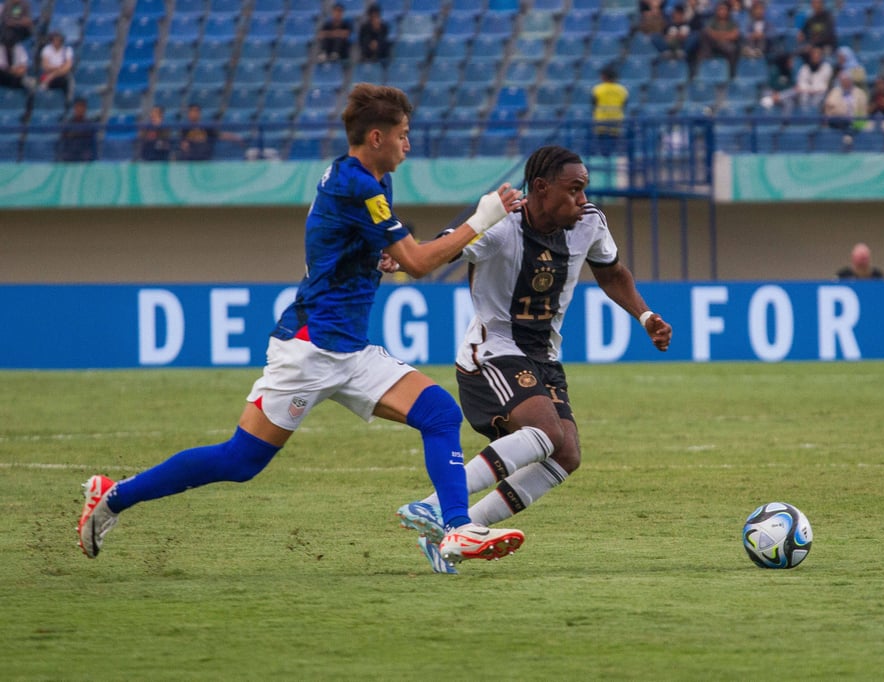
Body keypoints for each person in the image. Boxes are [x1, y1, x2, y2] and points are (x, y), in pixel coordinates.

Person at [76, 83, 528, 568]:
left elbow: (361, 244)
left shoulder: (366, 177)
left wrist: (374, 258)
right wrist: (484, 217)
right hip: (310, 349)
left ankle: (458, 530)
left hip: (349, 349)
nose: (408, 144)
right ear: (376, 137)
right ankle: (113, 495)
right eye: (403, 134)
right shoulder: (358, 184)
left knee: (439, 413)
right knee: (239, 461)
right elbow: (420, 263)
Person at [393, 145, 673, 573]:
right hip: (489, 353)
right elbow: (444, 251)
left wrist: (646, 314)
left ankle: (455, 534)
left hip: (543, 357)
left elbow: (613, 272)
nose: (582, 199)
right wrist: (400, 252)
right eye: (573, 189)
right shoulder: (502, 227)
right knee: (545, 431)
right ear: (540, 188)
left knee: (567, 455)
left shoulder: (590, 224)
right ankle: (434, 508)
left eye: (584, 189)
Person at [177, 103, 244, 161]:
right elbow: (183, 143)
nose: (194, 113)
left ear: (200, 113)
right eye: (192, 111)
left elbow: (220, 135)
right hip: (191, 158)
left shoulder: (206, 127)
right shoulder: (184, 128)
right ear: (188, 113)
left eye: (196, 111)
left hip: (204, 157)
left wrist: (236, 138)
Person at [695, 0, 740, 78]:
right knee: (704, 36)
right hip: (713, 44)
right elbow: (708, 32)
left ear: (728, 11)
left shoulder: (732, 22)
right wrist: (724, 35)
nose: (722, 12)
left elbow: (735, 35)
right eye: (720, 9)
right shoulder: (713, 21)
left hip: (727, 45)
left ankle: (731, 75)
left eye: (724, 9)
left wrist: (718, 35)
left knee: (733, 49)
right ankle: (700, 73)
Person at [591, 65, 628, 156]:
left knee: (602, 147)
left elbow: (593, 104)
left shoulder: (597, 89)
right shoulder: (622, 89)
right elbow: (624, 105)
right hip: (616, 122)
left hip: (601, 122)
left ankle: (604, 164)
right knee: (613, 146)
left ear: (604, 76)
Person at [56, 97, 97, 161]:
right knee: (64, 156)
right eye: (78, 106)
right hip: (70, 152)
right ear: (74, 108)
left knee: (87, 156)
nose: (80, 109)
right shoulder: (68, 124)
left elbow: (91, 142)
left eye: (82, 106)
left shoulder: (90, 124)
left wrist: (74, 134)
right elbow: (62, 140)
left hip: (84, 153)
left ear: (85, 109)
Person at [38, 31, 73, 101]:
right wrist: (59, 67)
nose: (56, 42)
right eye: (55, 40)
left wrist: (53, 75)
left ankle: (67, 102)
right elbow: (45, 67)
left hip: (61, 77)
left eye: (58, 40)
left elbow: (67, 67)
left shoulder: (67, 50)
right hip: (48, 76)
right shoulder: (46, 50)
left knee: (67, 81)